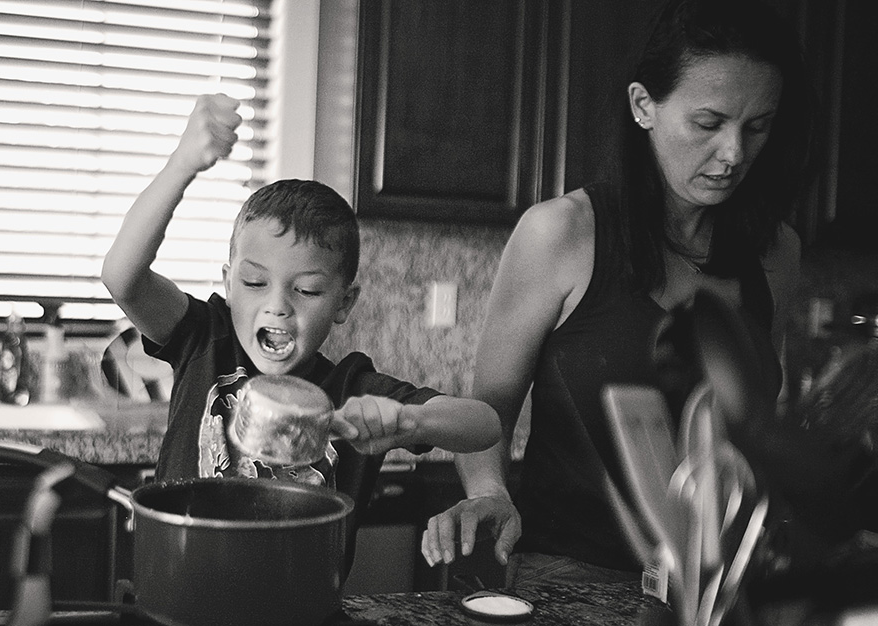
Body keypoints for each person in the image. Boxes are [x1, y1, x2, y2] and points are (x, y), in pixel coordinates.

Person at [421, 0, 816, 585]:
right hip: (570, 578)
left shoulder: (777, 254)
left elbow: (757, 427)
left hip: (718, 589)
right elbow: (489, 410)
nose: (734, 154)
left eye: (757, 127)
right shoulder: (561, 233)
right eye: (709, 123)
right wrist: (488, 491)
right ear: (643, 106)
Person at [101, 94, 500, 511]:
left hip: (302, 577)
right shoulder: (205, 338)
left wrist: (407, 421)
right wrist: (182, 164)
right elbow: (121, 278)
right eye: (254, 282)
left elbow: (484, 425)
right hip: (174, 572)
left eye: (306, 290)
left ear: (344, 304)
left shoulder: (352, 390)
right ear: (229, 283)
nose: (278, 305)